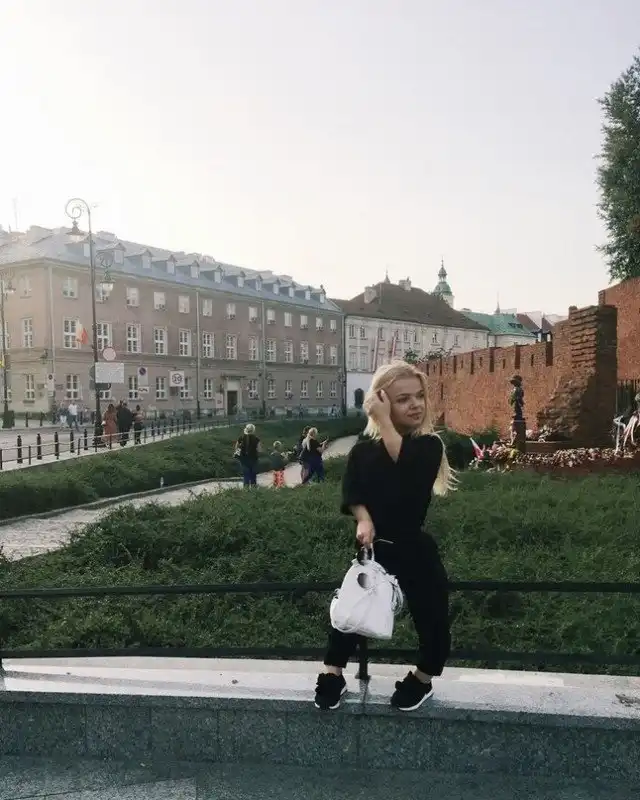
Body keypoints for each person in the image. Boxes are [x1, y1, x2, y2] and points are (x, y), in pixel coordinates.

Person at [314, 360, 455, 712]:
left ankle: (423, 678)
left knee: (433, 616)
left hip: (413, 546)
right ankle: (332, 672)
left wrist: (384, 421)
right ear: (382, 401)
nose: (415, 404)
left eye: (419, 396)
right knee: (351, 610)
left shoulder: (428, 446)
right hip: (373, 548)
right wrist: (363, 519)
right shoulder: (363, 450)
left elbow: (405, 468)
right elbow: (353, 491)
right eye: (403, 398)